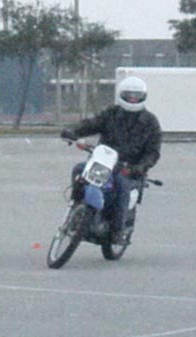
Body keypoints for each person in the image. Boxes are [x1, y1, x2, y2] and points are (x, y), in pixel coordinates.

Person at [60, 76, 162, 243]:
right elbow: (91, 124)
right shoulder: (111, 114)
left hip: (129, 170)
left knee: (122, 186)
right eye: (129, 95)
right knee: (79, 169)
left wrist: (139, 167)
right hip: (103, 164)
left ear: (143, 96)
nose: (133, 99)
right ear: (121, 94)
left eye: (136, 96)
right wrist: (72, 131)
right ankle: (76, 207)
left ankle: (117, 230)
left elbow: (153, 152)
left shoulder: (151, 122)